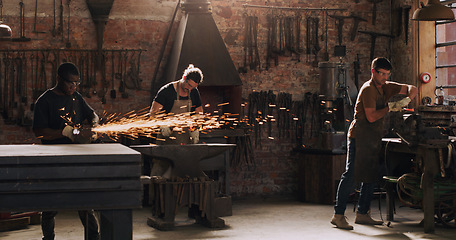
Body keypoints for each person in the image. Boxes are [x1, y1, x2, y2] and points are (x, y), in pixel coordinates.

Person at [330, 57, 418, 230]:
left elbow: (412, 88)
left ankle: (362, 213)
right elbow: (371, 117)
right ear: (373, 72)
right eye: (382, 74)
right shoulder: (368, 89)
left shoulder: (386, 86)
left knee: (370, 174)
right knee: (351, 174)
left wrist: (407, 100)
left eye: (387, 74)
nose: (385, 77)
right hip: (359, 136)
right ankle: (338, 215)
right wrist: (390, 107)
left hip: (373, 137)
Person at [32, 62, 100, 240]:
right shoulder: (44, 101)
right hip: (53, 159)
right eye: (71, 83)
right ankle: (48, 238)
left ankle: (93, 237)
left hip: (77, 158)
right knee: (50, 206)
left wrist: (94, 120)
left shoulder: (76, 97)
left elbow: (90, 113)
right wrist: (63, 132)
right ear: (59, 80)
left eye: (77, 83)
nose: (74, 87)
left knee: (85, 204)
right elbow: (39, 132)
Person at [148, 64, 203, 177]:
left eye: (193, 87)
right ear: (184, 78)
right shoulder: (166, 91)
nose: (189, 89)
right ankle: (156, 193)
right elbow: (153, 114)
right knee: (160, 171)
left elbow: (199, 113)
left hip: (185, 140)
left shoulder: (194, 92)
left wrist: (196, 128)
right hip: (166, 139)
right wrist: (162, 125)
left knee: (183, 172)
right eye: (188, 85)